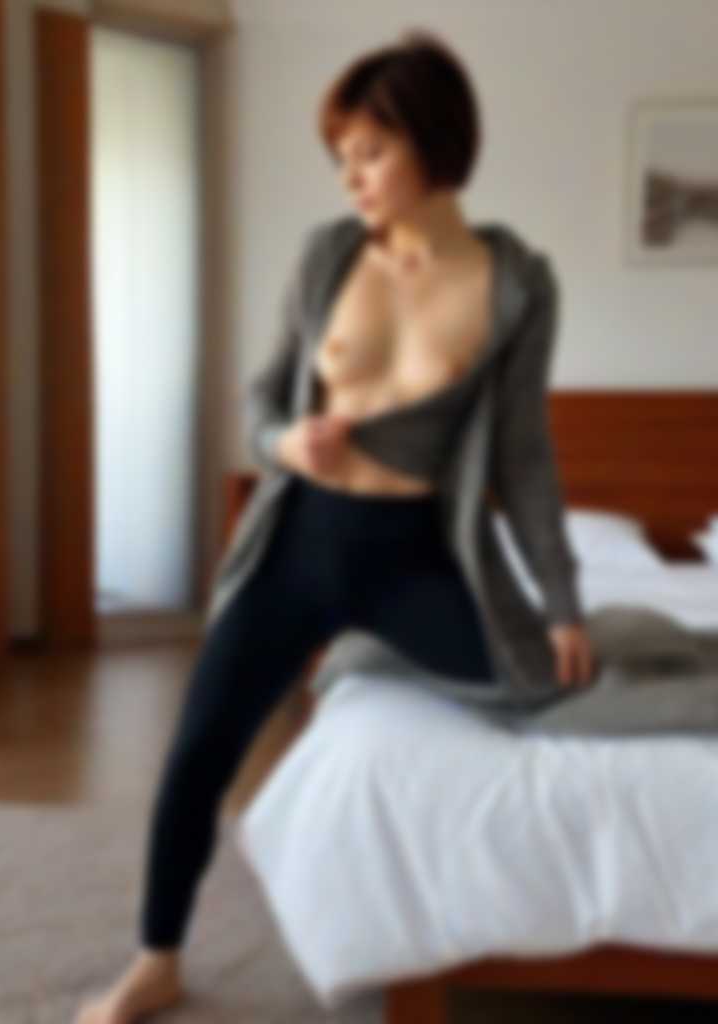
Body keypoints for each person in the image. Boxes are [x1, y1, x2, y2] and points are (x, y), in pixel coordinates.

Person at [74, 27, 595, 1023]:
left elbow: (523, 457)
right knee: (198, 749)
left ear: (431, 142)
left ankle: (376, 656)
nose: (350, 176)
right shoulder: (327, 256)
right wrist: (284, 443)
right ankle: (156, 958)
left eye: (370, 151)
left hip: (417, 560)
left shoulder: (520, 284)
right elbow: (259, 399)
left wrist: (563, 601)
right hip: (300, 547)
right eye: (341, 156)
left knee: (548, 692)